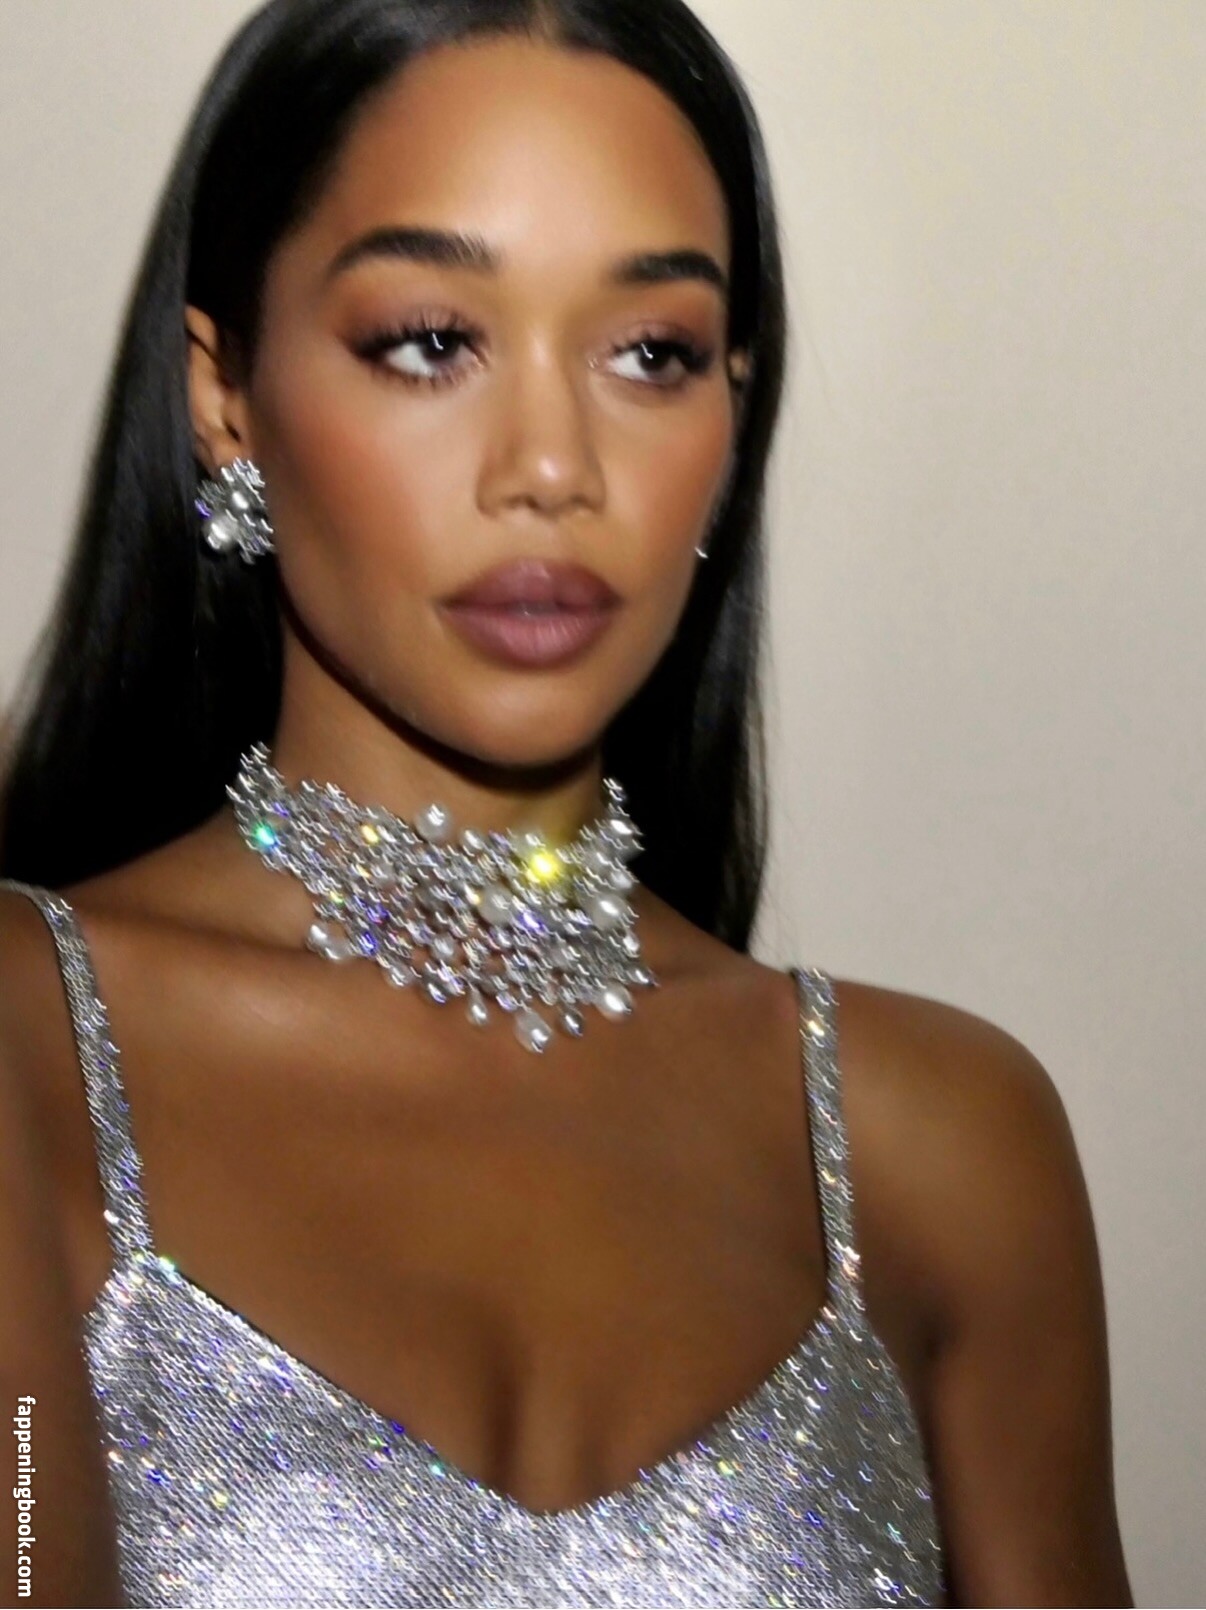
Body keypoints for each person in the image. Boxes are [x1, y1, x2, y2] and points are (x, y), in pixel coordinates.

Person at [0, 1, 1133, 1605]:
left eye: (649, 354)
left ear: (730, 417)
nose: (550, 465)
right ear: (224, 395)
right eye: (430, 340)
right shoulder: (31, 1050)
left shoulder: (940, 1146)